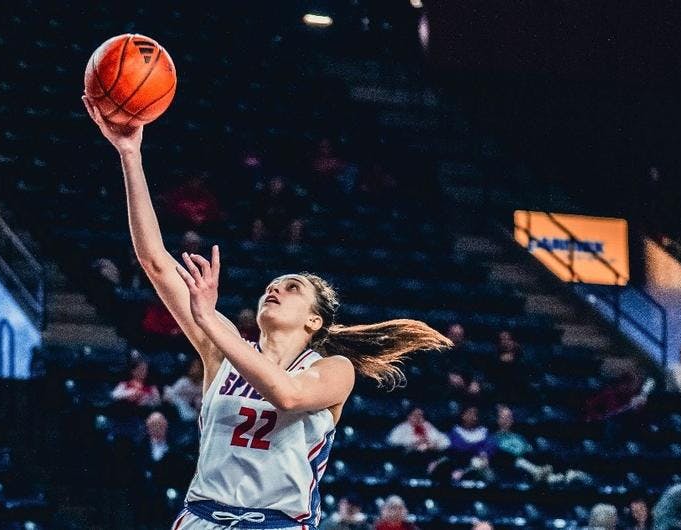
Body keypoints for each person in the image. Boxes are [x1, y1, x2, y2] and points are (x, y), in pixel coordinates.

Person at [83, 97, 451, 530]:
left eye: (292, 287)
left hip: (276, 523)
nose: (274, 288)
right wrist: (130, 153)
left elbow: (288, 396)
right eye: (272, 285)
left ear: (314, 321)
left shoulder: (334, 370)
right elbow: (155, 261)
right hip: (200, 518)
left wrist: (210, 324)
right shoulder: (222, 346)